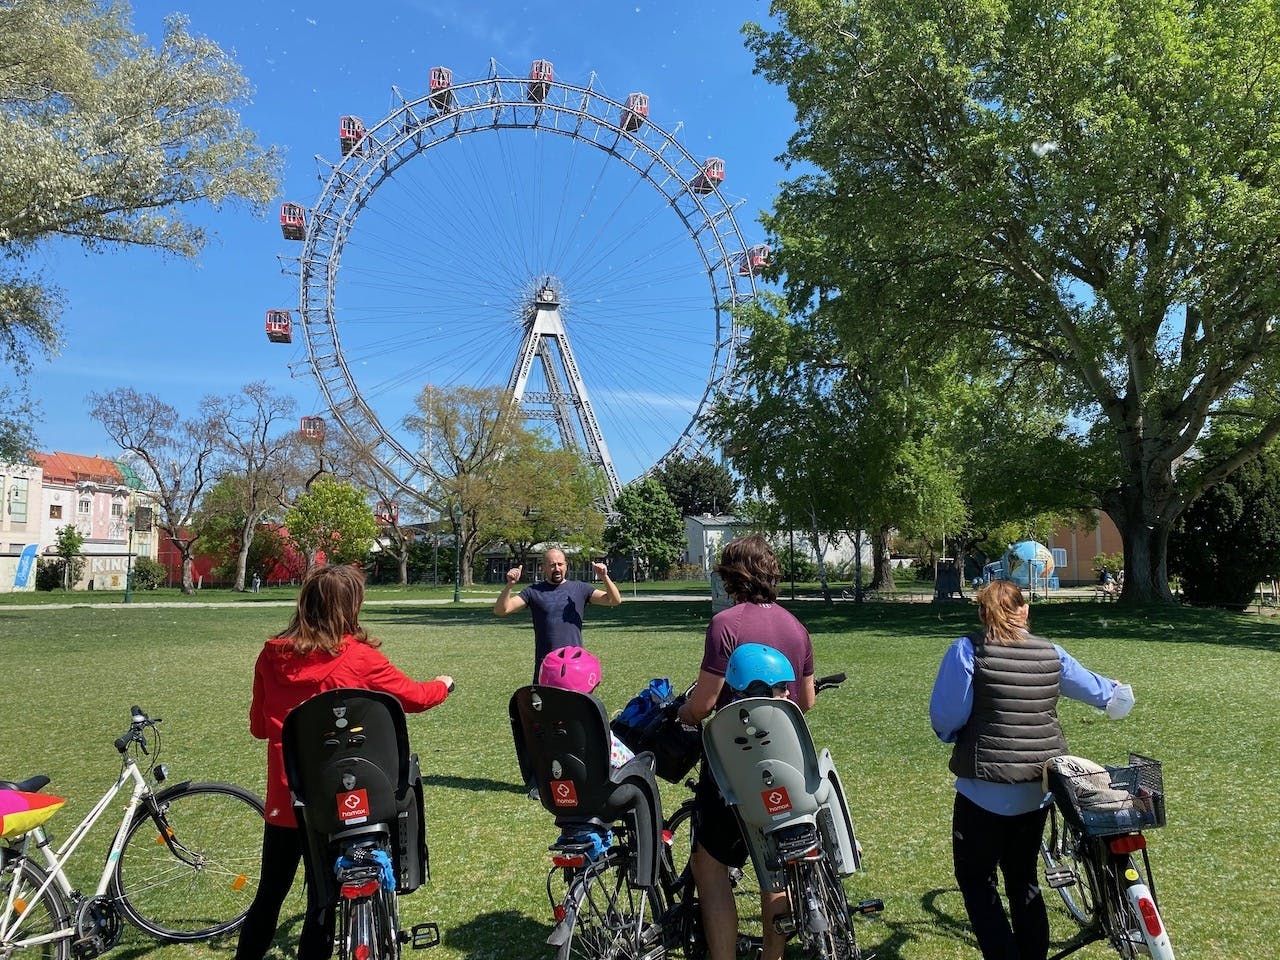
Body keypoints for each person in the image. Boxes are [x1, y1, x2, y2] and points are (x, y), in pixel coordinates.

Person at [235, 564, 455, 960]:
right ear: (350, 606)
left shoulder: (271, 656)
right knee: (322, 904)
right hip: (345, 798)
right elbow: (416, 698)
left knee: (268, 898)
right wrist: (444, 684)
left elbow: (258, 727)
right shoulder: (360, 659)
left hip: (289, 798)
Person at [929, 579, 1134, 960]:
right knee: (1023, 879)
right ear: (1024, 611)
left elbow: (947, 716)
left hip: (982, 789)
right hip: (1037, 790)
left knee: (976, 880)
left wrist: (952, 734)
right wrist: (1119, 691)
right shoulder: (1052, 653)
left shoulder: (967, 650)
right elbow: (1107, 695)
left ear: (982, 614)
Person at [675, 535, 816, 960]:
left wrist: (683, 713)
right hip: (786, 765)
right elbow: (805, 702)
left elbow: (703, 704)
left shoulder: (726, 625)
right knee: (776, 871)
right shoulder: (796, 626)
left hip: (735, 767)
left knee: (710, 866)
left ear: (731, 577)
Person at [493, 547, 622, 679]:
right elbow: (501, 610)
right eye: (552, 565)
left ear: (566, 565)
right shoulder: (533, 592)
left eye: (560, 564)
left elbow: (614, 600)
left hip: (575, 663)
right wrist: (510, 585)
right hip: (547, 665)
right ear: (543, 568)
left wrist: (604, 577)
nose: (557, 568)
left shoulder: (580, 589)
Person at [536, 646, 634, 771]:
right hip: (601, 779)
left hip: (550, 775)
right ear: (594, 683)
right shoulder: (589, 718)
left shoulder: (535, 716)